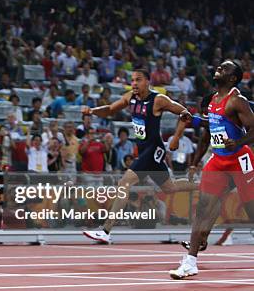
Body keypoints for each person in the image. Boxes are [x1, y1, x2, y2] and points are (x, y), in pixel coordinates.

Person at [82, 68, 198, 244]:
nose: (134, 83)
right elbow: (110, 110)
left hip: (153, 149)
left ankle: (105, 230)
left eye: (138, 80)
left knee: (124, 183)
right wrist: (92, 111)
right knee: (169, 188)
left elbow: (185, 114)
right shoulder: (130, 97)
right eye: (132, 80)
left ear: (148, 82)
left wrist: (176, 137)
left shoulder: (158, 99)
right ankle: (206, 185)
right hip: (144, 150)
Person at [170, 61, 254, 279]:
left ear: (233, 78)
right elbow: (213, 124)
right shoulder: (213, 100)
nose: (218, 68)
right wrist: (195, 120)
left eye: (224, 68)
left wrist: (238, 142)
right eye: (218, 66)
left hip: (240, 160)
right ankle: (190, 262)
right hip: (218, 161)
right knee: (203, 208)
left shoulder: (237, 101)